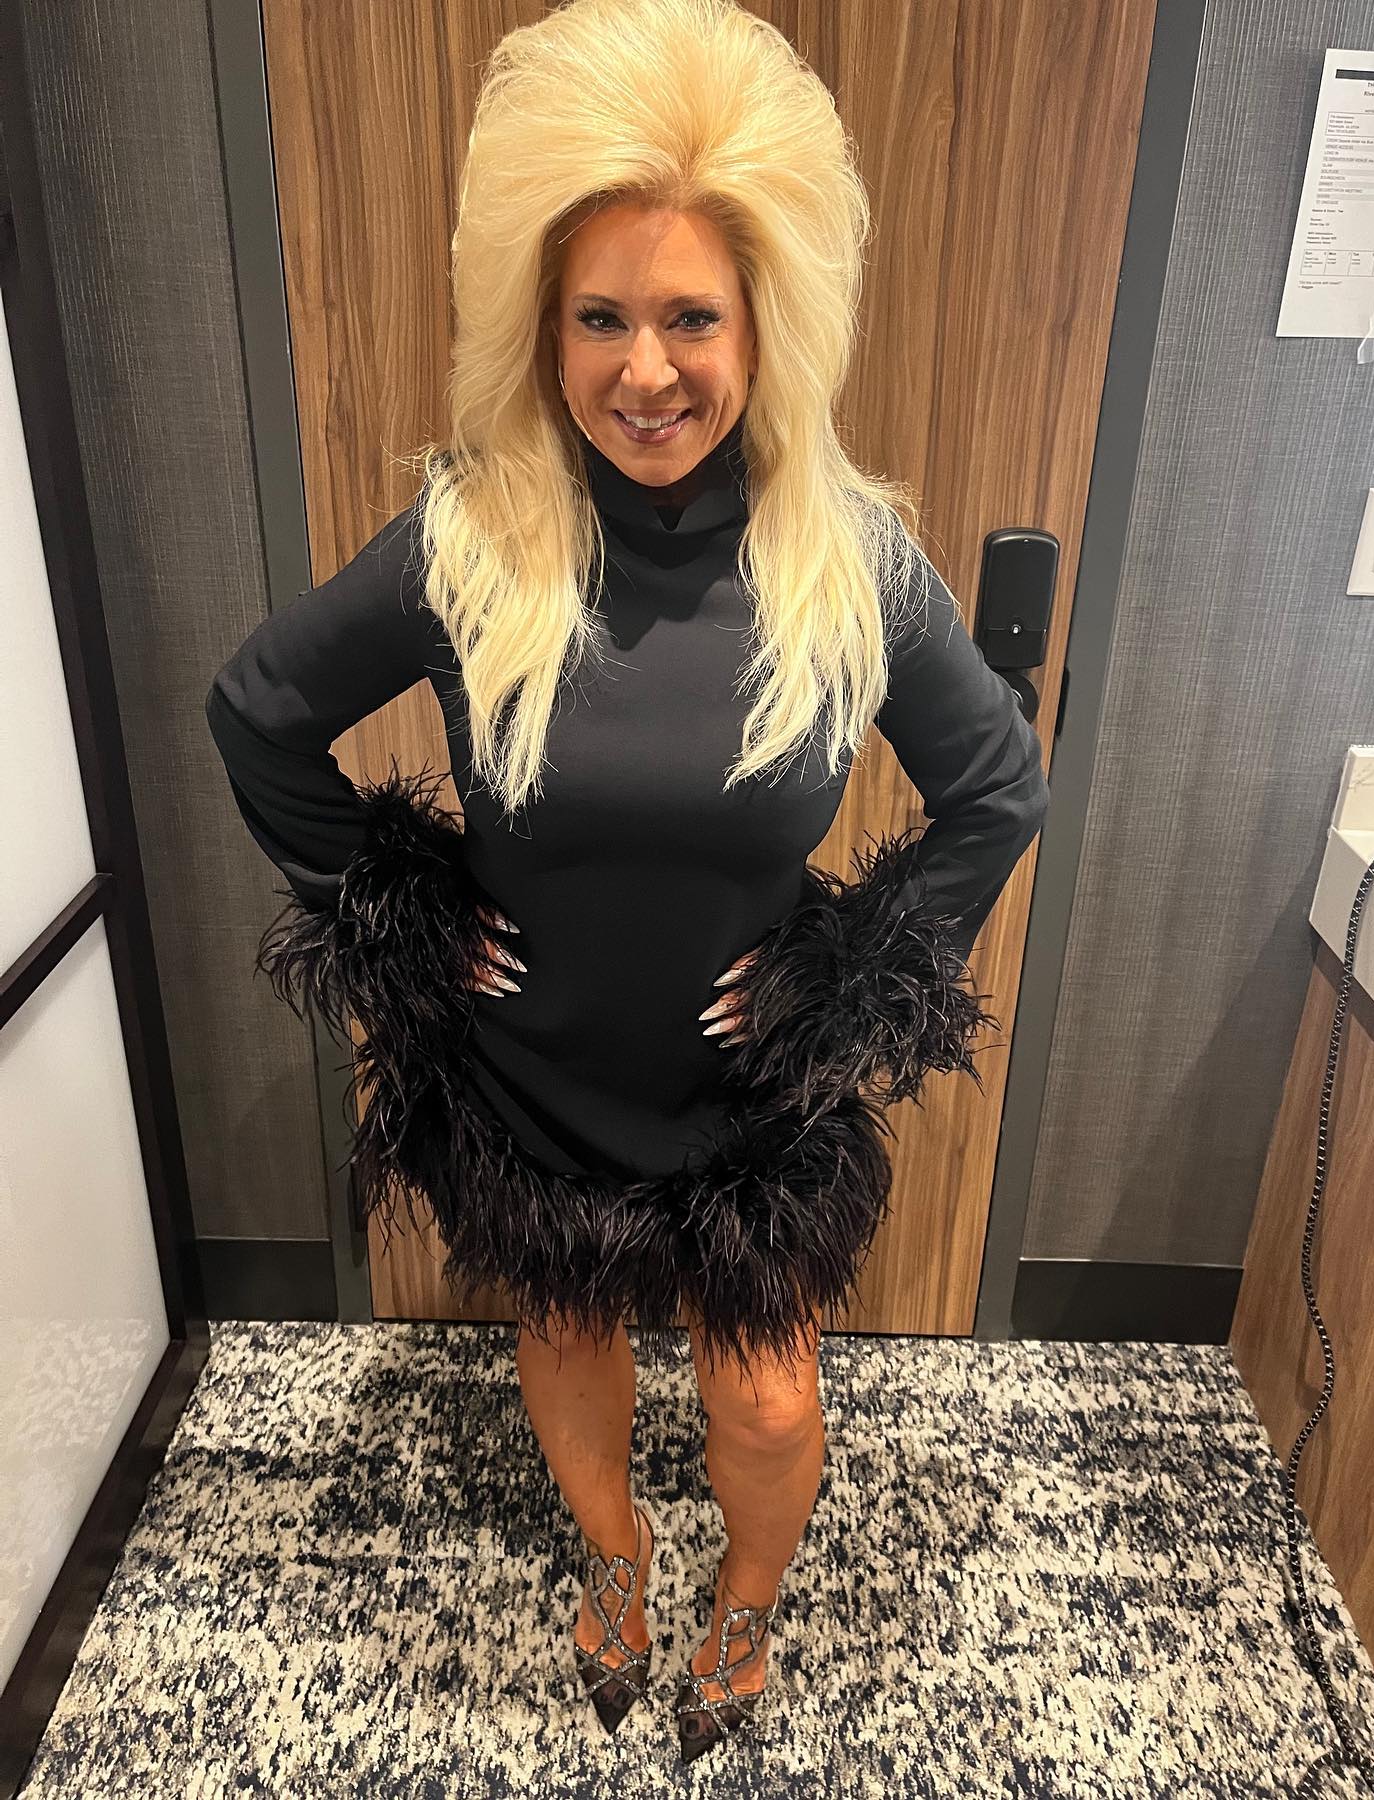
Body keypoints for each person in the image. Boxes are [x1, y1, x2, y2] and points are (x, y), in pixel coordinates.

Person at [205, 0, 1049, 1764]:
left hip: (745, 1101)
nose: (645, 371)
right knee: (568, 1331)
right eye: (601, 317)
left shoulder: (849, 558)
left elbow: (994, 787)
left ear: (762, 326)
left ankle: (747, 1604)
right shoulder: (467, 538)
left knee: (769, 1397)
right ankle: (615, 1562)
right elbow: (259, 712)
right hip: (535, 1074)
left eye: (690, 318)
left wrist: (851, 975)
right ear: (545, 324)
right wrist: (404, 919)